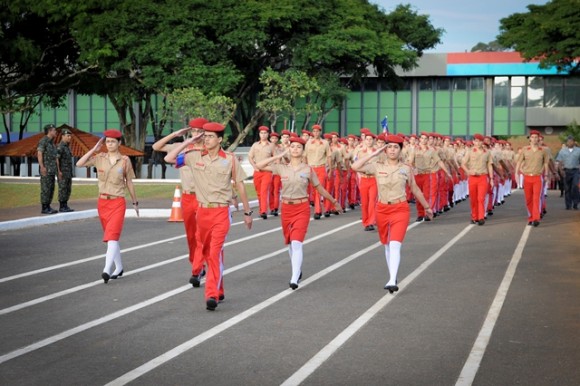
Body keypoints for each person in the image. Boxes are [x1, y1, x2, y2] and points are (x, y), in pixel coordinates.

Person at [165, 122, 253, 311]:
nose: (206, 139)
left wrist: (247, 212)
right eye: (205, 136)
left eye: (211, 136)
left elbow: (240, 185)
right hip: (202, 212)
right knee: (206, 253)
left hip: (221, 212)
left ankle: (211, 294)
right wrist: (189, 141)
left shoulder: (230, 159)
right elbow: (169, 158)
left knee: (214, 253)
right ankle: (219, 289)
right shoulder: (193, 156)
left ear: (220, 139)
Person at [255, 136, 342, 289]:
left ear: (303, 152)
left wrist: (334, 201)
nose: (295, 149)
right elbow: (259, 165)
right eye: (293, 147)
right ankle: (297, 269)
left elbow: (319, 188)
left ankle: (294, 277)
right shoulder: (281, 167)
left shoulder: (308, 170)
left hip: (301, 208)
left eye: (298, 147)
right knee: (289, 242)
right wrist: (279, 156)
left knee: (296, 242)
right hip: (286, 209)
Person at [351, 135, 433, 293]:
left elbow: (414, 188)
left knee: (395, 244)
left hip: (400, 209)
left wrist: (427, 206)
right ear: (385, 149)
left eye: (396, 147)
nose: (392, 150)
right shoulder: (377, 165)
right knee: (387, 244)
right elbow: (355, 166)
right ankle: (392, 275)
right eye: (389, 147)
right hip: (382, 209)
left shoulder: (406, 168)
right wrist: (374, 153)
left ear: (401, 150)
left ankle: (392, 279)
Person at [76, 129, 139, 283]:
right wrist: (94, 149)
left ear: (119, 143)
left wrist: (135, 202)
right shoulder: (99, 158)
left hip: (118, 202)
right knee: (112, 239)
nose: (109, 144)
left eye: (113, 141)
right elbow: (79, 163)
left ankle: (106, 269)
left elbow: (129, 182)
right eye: (107, 141)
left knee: (111, 236)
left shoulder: (124, 161)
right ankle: (119, 267)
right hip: (102, 202)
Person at [152, 118, 208, 286]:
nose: (196, 134)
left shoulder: (209, 149)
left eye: (200, 132)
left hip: (203, 198)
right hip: (187, 197)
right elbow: (157, 147)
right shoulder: (183, 149)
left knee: (200, 236)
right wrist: (176, 134)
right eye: (194, 131)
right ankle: (197, 264)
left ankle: (197, 270)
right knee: (191, 236)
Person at [515, 130, 550, 226]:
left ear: (539, 138)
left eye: (536, 137)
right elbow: (519, 162)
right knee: (528, 199)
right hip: (527, 177)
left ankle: (536, 218)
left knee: (536, 198)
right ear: (529, 139)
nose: (534, 139)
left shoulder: (543, 150)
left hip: (537, 177)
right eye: (532, 137)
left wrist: (546, 175)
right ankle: (531, 217)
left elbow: (546, 163)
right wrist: (516, 174)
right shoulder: (525, 149)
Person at [461, 133, 494, 225]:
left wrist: (491, 179)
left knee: (481, 198)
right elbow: (463, 164)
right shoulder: (470, 151)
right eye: (476, 141)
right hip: (473, 178)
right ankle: (474, 216)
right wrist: (468, 171)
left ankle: (481, 217)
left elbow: (489, 165)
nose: (478, 143)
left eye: (479, 141)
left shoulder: (487, 152)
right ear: (473, 142)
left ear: (482, 142)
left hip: (483, 177)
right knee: (473, 199)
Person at [304, 124, 331, 219]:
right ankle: (318, 209)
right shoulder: (308, 143)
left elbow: (328, 157)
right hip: (311, 168)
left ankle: (318, 211)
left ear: (320, 132)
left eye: (317, 131)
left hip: (321, 168)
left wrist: (330, 169)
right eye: (314, 131)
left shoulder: (325, 143)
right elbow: (305, 156)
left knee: (319, 189)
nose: (316, 133)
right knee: (313, 191)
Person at [248, 126, 275, 219]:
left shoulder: (271, 146)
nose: (263, 135)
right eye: (261, 133)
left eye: (265, 133)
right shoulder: (255, 145)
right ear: (259, 134)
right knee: (259, 192)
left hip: (267, 172)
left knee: (264, 191)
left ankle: (263, 211)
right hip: (257, 172)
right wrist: (254, 166)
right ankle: (261, 209)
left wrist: (272, 168)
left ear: (268, 134)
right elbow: (250, 157)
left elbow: (276, 159)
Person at [37, 124, 58, 214]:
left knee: (50, 188)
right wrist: (42, 167)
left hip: (52, 170)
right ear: (49, 131)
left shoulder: (51, 143)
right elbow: (39, 153)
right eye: (54, 130)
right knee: (45, 188)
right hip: (46, 169)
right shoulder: (43, 141)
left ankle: (48, 206)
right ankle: (44, 207)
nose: (55, 132)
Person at [555, 135, 580, 210]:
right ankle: (568, 205)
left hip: (575, 170)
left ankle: (575, 203)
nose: (570, 143)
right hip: (566, 171)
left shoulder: (578, 150)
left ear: (574, 142)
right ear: (566, 142)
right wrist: (561, 170)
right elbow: (559, 162)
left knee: (575, 186)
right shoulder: (562, 151)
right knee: (567, 188)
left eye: (571, 141)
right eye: (568, 141)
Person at [56, 128, 75, 212]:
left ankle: (65, 205)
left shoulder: (67, 147)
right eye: (68, 136)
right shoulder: (60, 147)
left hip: (68, 173)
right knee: (62, 189)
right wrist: (59, 171)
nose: (69, 137)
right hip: (62, 173)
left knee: (68, 189)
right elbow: (56, 159)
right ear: (63, 136)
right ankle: (62, 206)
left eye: (70, 136)